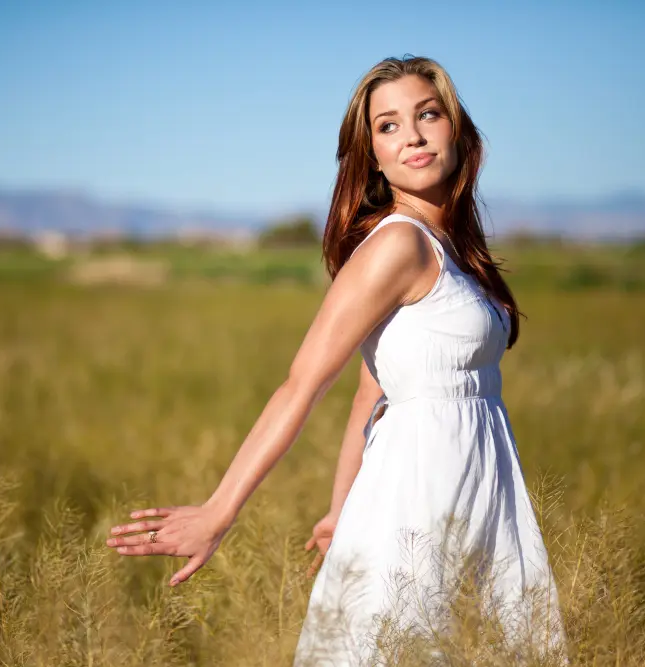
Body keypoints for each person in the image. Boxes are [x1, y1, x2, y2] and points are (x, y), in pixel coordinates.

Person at [105, 55, 565, 665]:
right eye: (389, 126)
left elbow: (370, 393)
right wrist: (219, 511)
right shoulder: (398, 243)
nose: (414, 136)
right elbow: (302, 384)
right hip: (418, 497)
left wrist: (339, 510)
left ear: (457, 128)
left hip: (477, 485)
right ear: (372, 153)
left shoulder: (453, 250)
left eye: (428, 115)